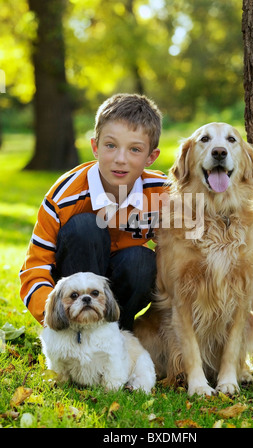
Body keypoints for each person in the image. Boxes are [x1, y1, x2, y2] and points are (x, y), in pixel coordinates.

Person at [20, 93, 167, 331]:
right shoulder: (64, 196)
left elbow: (186, 258)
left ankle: (119, 334)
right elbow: (34, 269)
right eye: (110, 145)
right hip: (73, 286)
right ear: (95, 147)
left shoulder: (164, 194)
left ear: (151, 157)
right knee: (85, 227)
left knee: (142, 260)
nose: (121, 159)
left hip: (120, 289)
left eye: (134, 150)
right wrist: (52, 317)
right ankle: (77, 335)